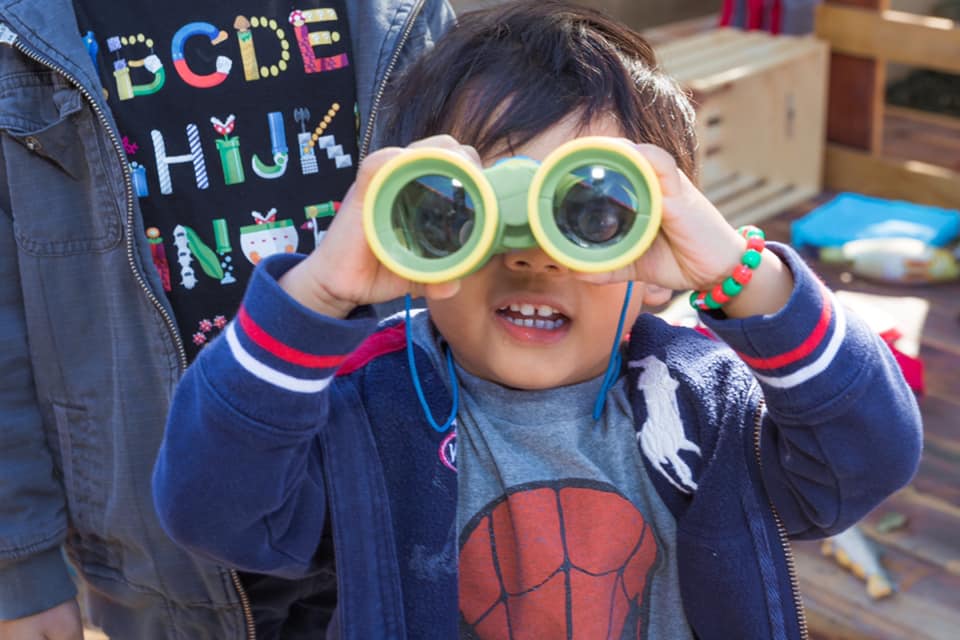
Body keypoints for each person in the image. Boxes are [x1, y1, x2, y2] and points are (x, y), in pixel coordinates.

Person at [152, 2, 923, 638]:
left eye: (592, 213)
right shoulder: (368, 410)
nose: (533, 258)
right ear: (412, 228)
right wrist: (320, 294)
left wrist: (739, 271)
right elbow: (214, 511)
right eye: (469, 212)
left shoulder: (702, 404)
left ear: (653, 244)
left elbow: (869, 457)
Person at [0, 0, 454, 638]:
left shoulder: (401, 16)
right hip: (163, 563)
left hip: (402, 524)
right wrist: (21, 571)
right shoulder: (21, 31)